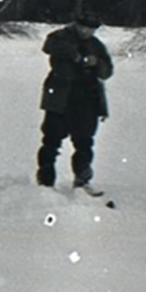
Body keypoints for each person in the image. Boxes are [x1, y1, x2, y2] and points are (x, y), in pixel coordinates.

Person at [36, 11, 113, 191]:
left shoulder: (96, 46)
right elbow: (49, 46)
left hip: (87, 99)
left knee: (84, 142)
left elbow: (107, 72)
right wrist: (74, 54)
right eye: (83, 27)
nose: (86, 32)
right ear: (76, 25)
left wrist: (96, 63)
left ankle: (82, 178)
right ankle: (45, 180)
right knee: (51, 140)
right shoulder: (60, 37)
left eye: (91, 29)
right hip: (60, 97)